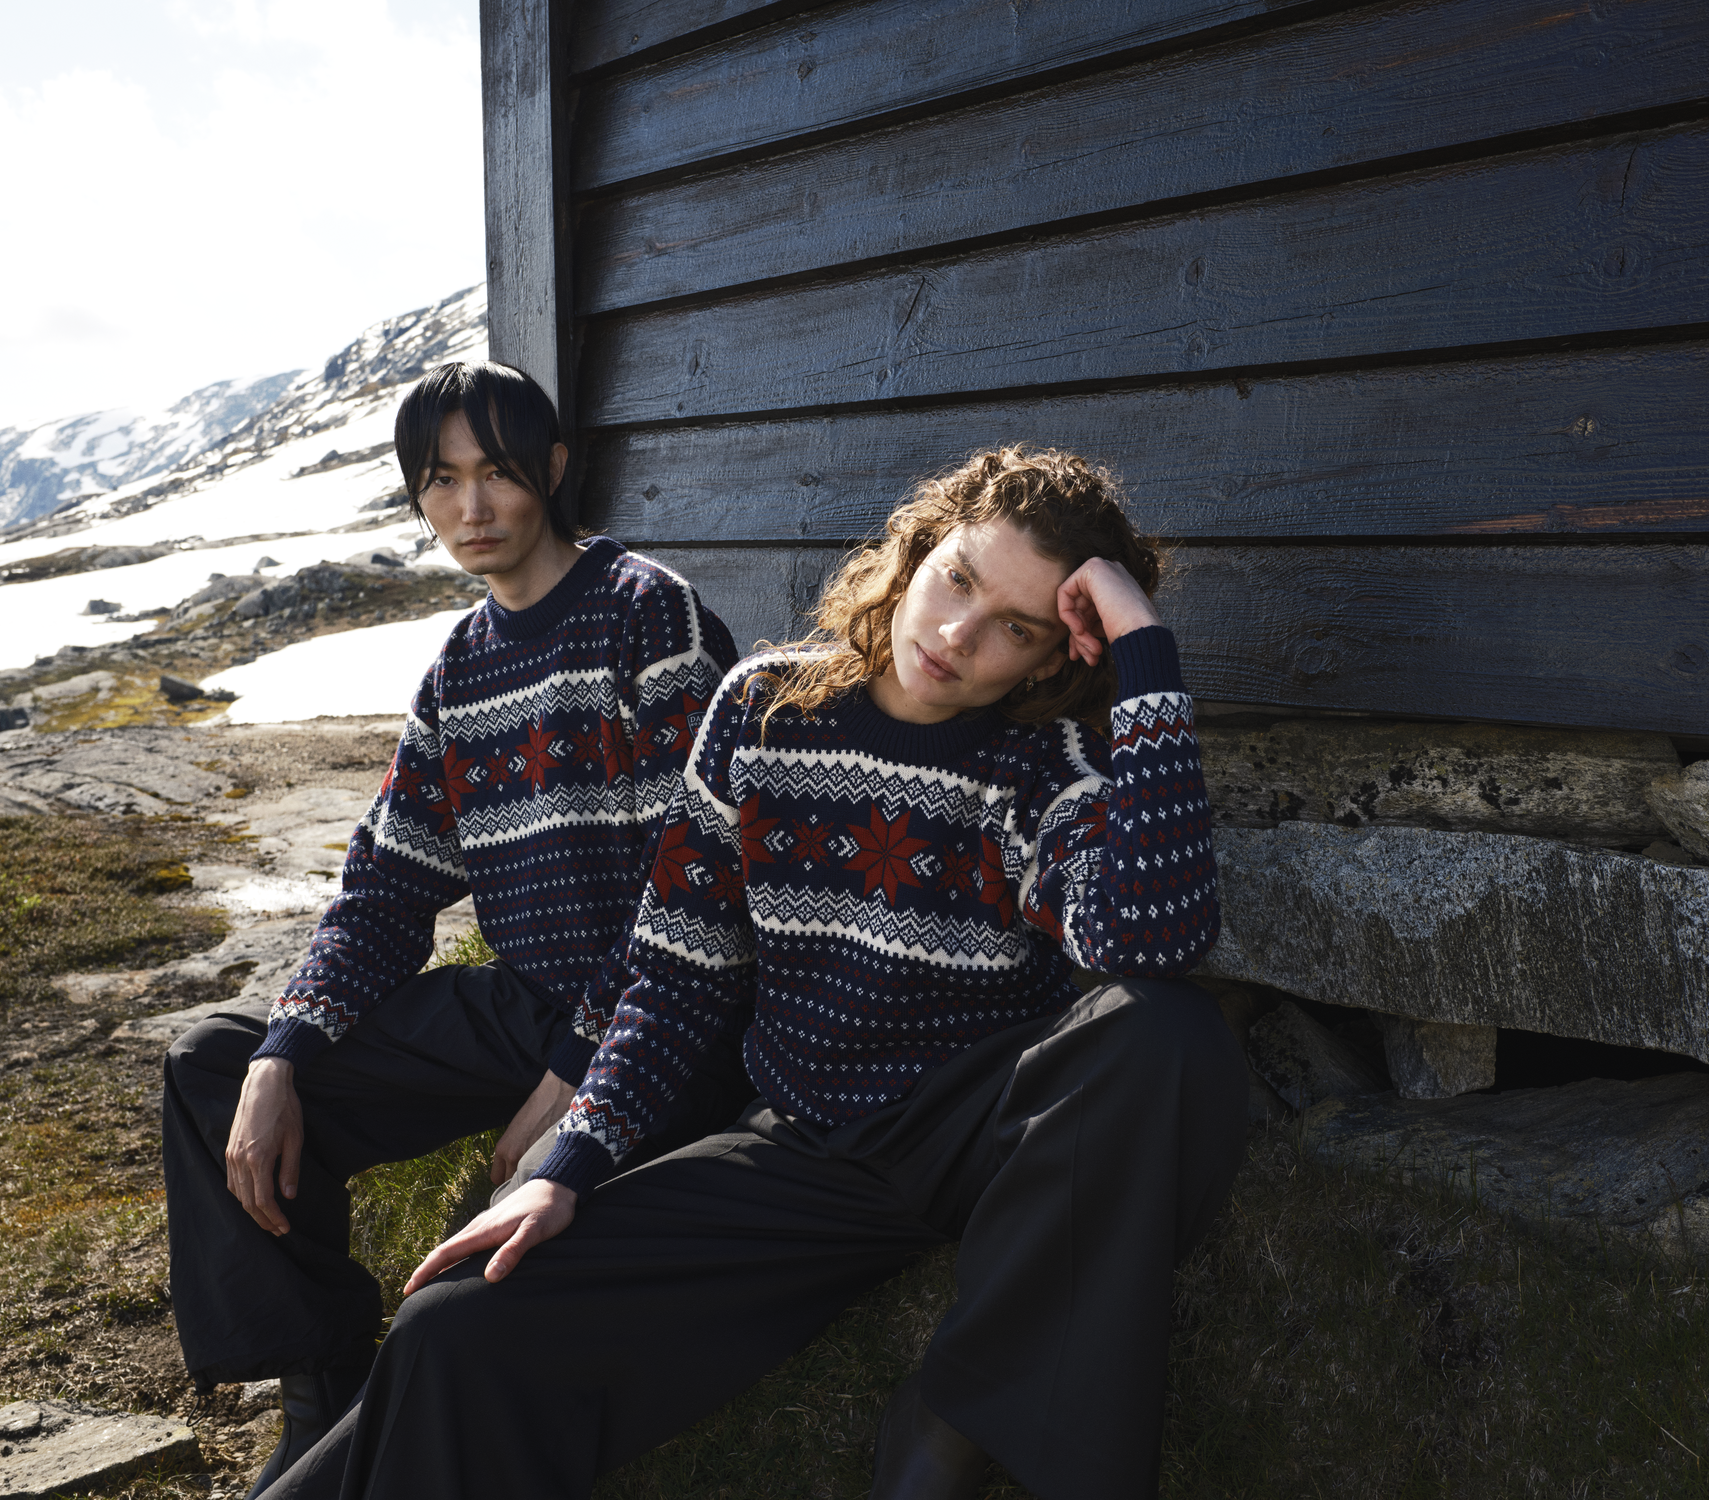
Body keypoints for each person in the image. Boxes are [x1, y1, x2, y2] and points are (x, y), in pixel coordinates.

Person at [269, 446, 1245, 1500]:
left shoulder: (1040, 769)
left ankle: (956, 1420)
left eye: (1016, 627)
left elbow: (1150, 939)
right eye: (958, 579)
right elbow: (678, 974)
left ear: (1055, 656)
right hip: (798, 1152)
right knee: (458, 1322)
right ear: (915, 552)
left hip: (977, 1136)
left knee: (1166, 1031)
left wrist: (1142, 646)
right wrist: (568, 1166)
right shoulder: (761, 712)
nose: (958, 636)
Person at [161, 361, 746, 1496]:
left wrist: (574, 1070)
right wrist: (287, 1049)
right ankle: (317, 1379)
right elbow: (385, 889)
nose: (471, 509)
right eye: (441, 481)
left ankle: (360, 1457)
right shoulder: (459, 671)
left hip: (665, 1017)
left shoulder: (647, 614)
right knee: (214, 1062)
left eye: (497, 474)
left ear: (555, 471)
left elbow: (698, 883)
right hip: (521, 1006)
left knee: (473, 1295)